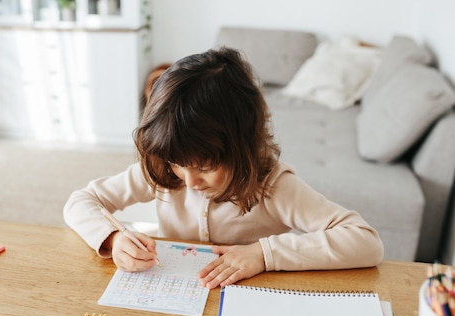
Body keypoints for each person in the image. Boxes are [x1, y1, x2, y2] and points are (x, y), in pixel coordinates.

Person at [63, 47, 384, 290]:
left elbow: (365, 242)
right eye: (179, 165)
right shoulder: (164, 170)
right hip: (180, 300)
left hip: (252, 302)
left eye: (205, 166)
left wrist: (263, 253)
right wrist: (114, 238)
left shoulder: (273, 186)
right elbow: (80, 202)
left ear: (241, 149)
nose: (189, 181)